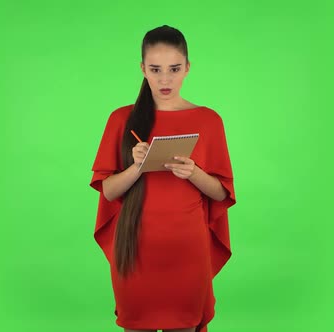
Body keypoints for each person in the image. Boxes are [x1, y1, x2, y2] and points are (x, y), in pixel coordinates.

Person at [90, 25, 236, 332]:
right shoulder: (121, 119)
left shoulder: (209, 120)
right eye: (155, 69)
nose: (165, 79)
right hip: (134, 248)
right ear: (143, 68)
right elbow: (109, 192)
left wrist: (194, 172)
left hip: (187, 249)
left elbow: (222, 195)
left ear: (187, 68)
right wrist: (136, 168)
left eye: (174, 69)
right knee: (135, 324)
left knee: (184, 325)